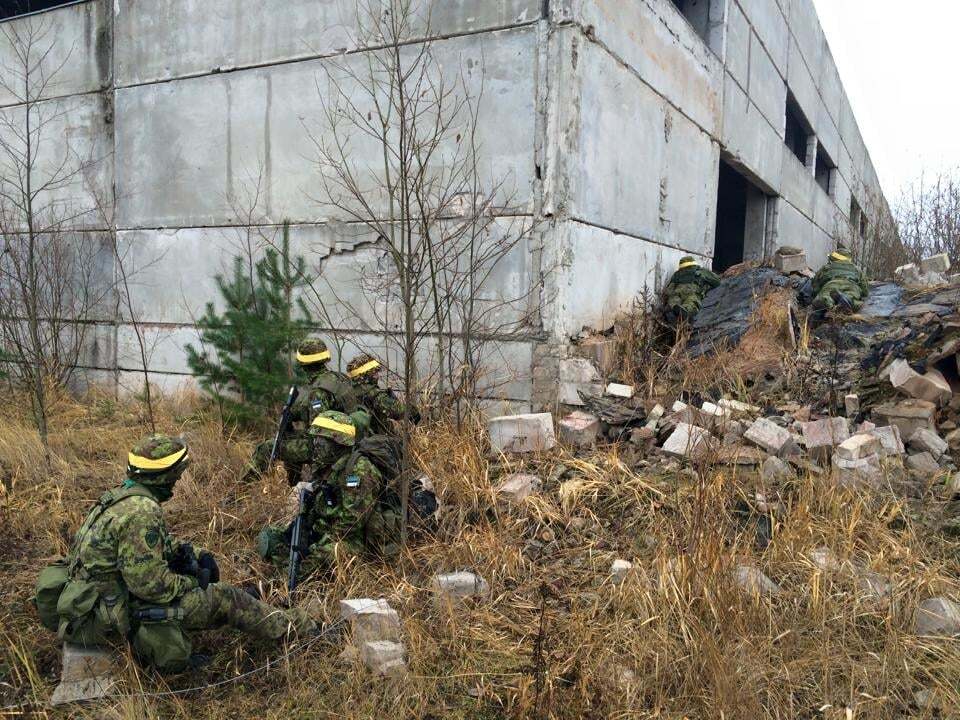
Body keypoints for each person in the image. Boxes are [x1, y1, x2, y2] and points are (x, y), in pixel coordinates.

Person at [42, 435, 316, 673]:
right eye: (176, 475)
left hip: (98, 601)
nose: (177, 482)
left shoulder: (121, 497)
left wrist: (195, 553)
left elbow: (143, 547)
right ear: (163, 476)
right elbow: (152, 586)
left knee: (215, 589)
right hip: (111, 613)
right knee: (224, 597)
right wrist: (194, 582)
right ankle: (297, 625)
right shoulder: (142, 512)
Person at [257, 411, 402, 579]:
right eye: (315, 438)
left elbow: (351, 523)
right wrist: (302, 529)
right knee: (271, 538)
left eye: (322, 439)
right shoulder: (326, 465)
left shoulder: (359, 470)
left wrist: (317, 544)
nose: (316, 444)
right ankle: (285, 569)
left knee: (323, 556)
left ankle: (284, 579)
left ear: (338, 442)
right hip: (325, 528)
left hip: (354, 540)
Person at [247, 337, 360, 483]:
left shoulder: (317, 392)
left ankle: (239, 491)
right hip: (349, 441)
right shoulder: (340, 378)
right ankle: (294, 485)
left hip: (329, 449)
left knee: (267, 448)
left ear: (303, 364)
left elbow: (319, 432)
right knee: (289, 439)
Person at [346, 354, 409, 433]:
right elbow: (400, 412)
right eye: (375, 373)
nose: (377, 376)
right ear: (366, 375)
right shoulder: (374, 394)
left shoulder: (346, 390)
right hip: (374, 441)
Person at [811, 244, 869, 313]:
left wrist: (816, 294)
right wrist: (862, 294)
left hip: (831, 284)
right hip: (851, 285)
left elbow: (815, 285)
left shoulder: (826, 267)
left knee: (824, 298)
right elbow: (865, 290)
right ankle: (848, 300)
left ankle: (828, 303)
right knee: (853, 299)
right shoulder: (857, 269)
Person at [663, 256, 722, 322]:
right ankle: (685, 311)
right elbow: (717, 281)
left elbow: (669, 290)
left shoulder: (677, 274)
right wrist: (706, 287)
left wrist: (670, 298)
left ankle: (672, 310)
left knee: (674, 301)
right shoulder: (701, 271)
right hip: (692, 292)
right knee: (691, 303)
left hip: (677, 292)